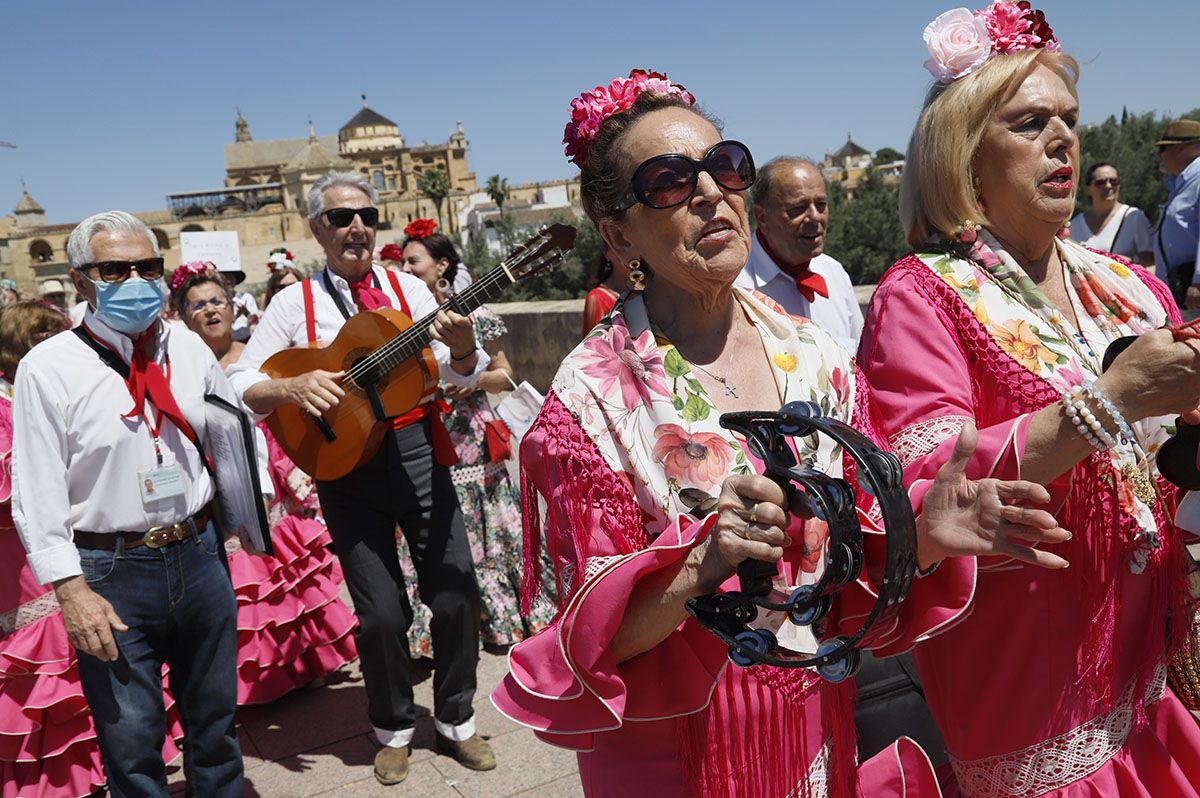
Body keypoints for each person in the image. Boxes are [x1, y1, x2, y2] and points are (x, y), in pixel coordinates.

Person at [492, 68, 1069, 798]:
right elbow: (591, 637)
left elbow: (851, 556)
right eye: (668, 181)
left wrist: (922, 532)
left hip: (813, 722)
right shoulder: (587, 403)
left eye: (725, 165)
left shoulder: (816, 355)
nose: (709, 192)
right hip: (684, 753)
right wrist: (702, 565)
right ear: (618, 234)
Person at [859, 4, 1200, 795]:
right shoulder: (924, 295)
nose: (1063, 140)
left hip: (1153, 654)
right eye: (1029, 122)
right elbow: (933, 479)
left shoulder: (1126, 286)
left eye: (1070, 120)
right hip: (1031, 676)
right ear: (964, 154)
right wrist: (1108, 400)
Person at [227, 172, 496, 785]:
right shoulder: (294, 303)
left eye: (368, 217)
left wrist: (459, 349)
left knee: (454, 591)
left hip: (414, 450)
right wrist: (291, 386)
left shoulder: (408, 288)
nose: (357, 228)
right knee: (378, 614)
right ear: (317, 229)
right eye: (341, 218)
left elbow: (460, 372)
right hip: (342, 465)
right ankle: (394, 727)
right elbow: (241, 382)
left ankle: (456, 720)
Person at [12, 211, 253, 796]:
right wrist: (70, 591)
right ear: (80, 281)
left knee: (216, 725)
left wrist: (248, 519)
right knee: (133, 739)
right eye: (116, 269)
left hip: (198, 554)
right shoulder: (48, 368)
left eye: (148, 267)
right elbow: (36, 489)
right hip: (110, 572)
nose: (137, 280)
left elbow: (229, 430)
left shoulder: (187, 346)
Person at [0, 300, 189, 798]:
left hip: (108, 545)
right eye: (35, 343)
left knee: (112, 674)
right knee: (53, 674)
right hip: (28, 563)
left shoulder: (89, 375)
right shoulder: (9, 405)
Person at [173, 270, 358, 704]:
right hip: (214, 480)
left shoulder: (255, 354)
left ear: (232, 305)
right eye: (198, 305)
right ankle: (253, 676)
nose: (210, 310)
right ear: (184, 317)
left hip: (271, 473)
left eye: (216, 300)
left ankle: (305, 662)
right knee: (241, 582)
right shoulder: (180, 364)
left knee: (283, 574)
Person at [397, 226, 557, 657]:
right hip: (426, 436)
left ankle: (505, 616)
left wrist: (468, 381)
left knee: (491, 525)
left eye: (413, 261)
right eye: (403, 262)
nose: (405, 268)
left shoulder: (478, 313)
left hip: (472, 436)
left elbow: (503, 373)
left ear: (442, 266)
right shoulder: (401, 320)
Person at [735, 157, 864, 352]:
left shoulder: (835, 274)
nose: (815, 217)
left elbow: (860, 359)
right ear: (762, 217)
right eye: (798, 208)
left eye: (821, 204)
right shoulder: (734, 289)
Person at [1152, 119, 1200, 308]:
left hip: (1193, 292)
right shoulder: (1181, 182)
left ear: (1180, 148)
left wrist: (1198, 281)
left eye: (1163, 149)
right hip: (1180, 290)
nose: (1159, 155)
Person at [1068, 162, 1154, 266]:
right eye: (1100, 182)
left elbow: (1151, 259)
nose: (1108, 186)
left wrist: (1130, 261)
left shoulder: (1134, 217)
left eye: (1114, 181)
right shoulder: (1075, 225)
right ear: (1088, 188)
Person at [581, 243, 625, 336]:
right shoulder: (597, 299)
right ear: (606, 252)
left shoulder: (649, 290)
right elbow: (594, 346)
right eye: (621, 246)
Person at [215, 261, 259, 342]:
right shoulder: (216, 302)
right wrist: (234, 318)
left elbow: (256, 322)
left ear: (235, 280)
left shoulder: (246, 297)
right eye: (225, 278)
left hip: (247, 340)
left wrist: (246, 313)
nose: (228, 281)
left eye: (231, 277)